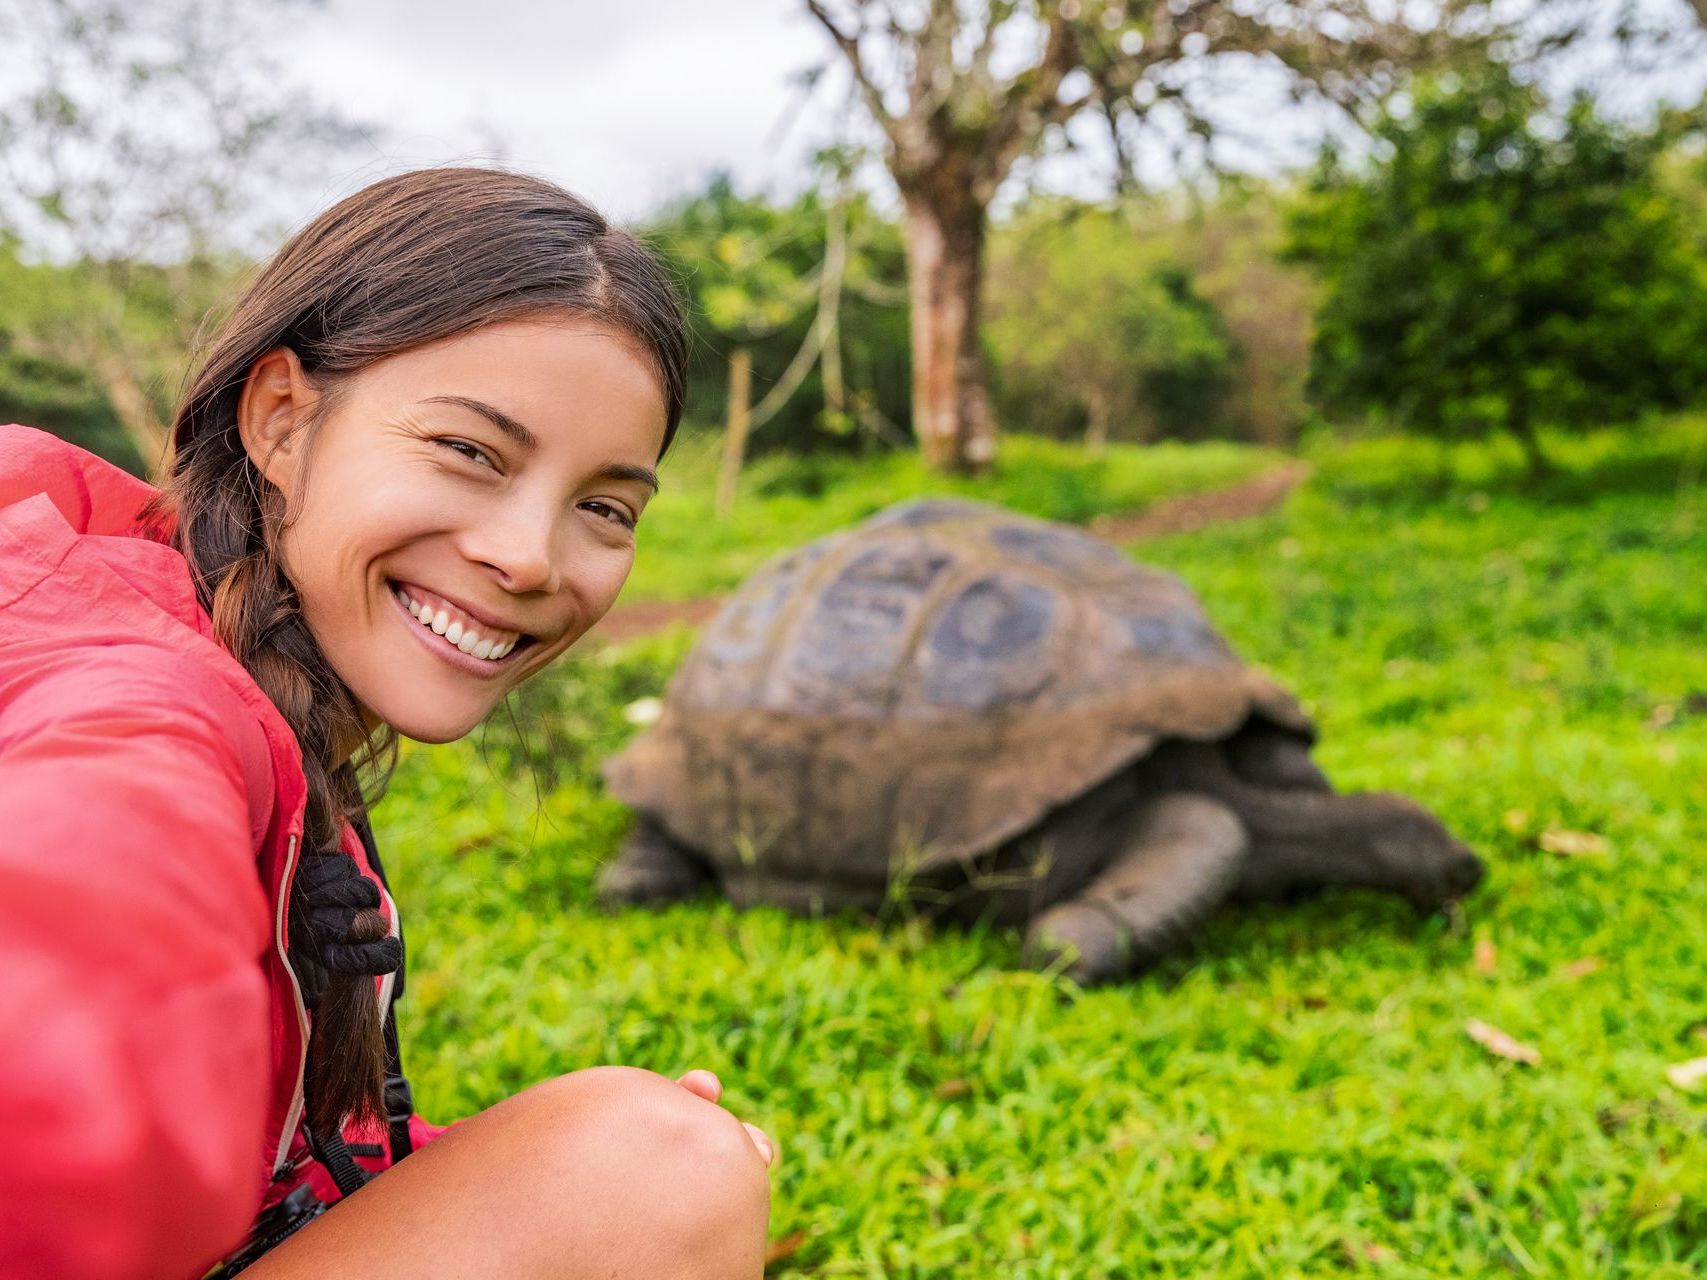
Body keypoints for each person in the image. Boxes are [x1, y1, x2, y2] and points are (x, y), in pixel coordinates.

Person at [0, 167, 775, 1280]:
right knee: (655, 1170)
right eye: (470, 451)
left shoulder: (243, 654)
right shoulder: (151, 711)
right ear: (280, 416)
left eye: (604, 506)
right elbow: (78, 948)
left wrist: (548, 1181)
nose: (530, 555)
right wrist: (642, 1181)